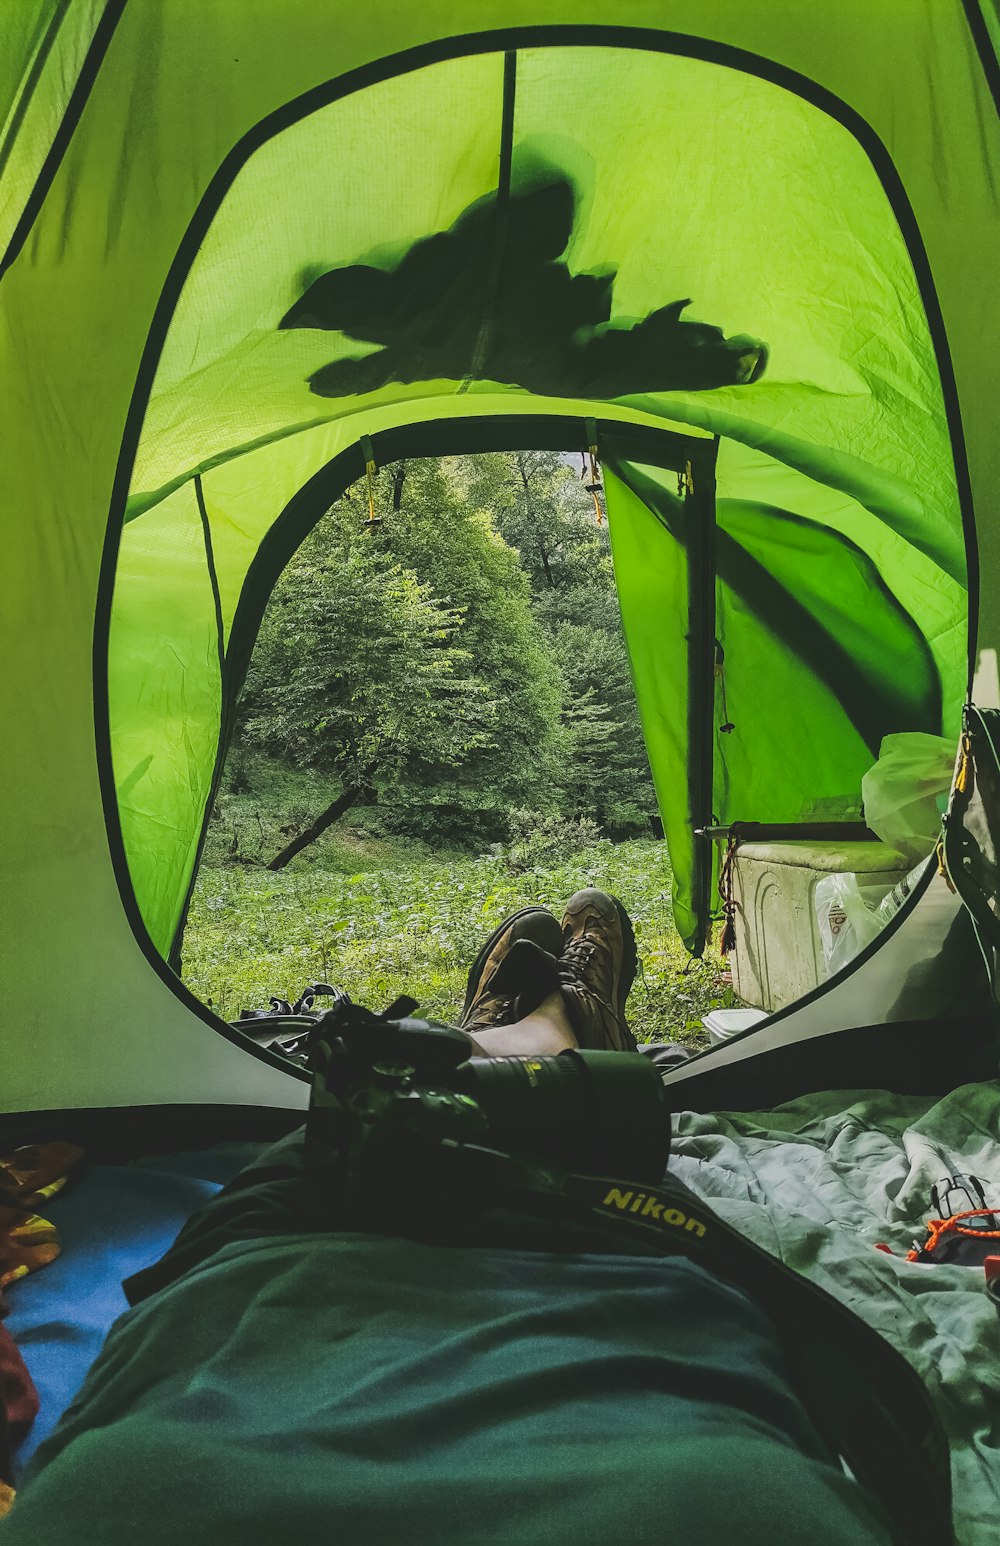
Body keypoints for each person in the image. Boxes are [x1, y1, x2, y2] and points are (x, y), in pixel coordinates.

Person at [1, 891, 893, 1544]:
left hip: (272, 1279)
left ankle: (501, 1038)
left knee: (380, 1113)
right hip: (627, 1295)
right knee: (551, 1134)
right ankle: (555, 1031)